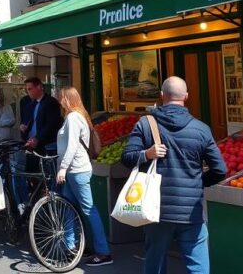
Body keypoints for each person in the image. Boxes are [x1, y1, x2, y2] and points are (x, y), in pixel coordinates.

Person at [121, 77, 227, 274]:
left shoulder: (145, 125)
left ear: (162, 96)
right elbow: (220, 169)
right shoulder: (201, 129)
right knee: (198, 266)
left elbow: (127, 157)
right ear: (186, 96)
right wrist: (197, 183)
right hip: (190, 210)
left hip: (155, 209)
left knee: (155, 261)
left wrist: (147, 154)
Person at [55, 87, 111, 267]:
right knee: (69, 208)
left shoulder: (72, 118)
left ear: (67, 99)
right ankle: (71, 246)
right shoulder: (77, 116)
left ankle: (103, 252)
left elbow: (72, 146)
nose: (59, 99)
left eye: (61, 96)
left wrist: (62, 168)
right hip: (75, 170)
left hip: (77, 170)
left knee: (88, 209)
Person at [16, 77, 62, 206]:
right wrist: (23, 128)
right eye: (27, 90)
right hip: (31, 145)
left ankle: (49, 202)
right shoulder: (30, 104)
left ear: (39, 87)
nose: (28, 92)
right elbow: (26, 122)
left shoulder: (50, 102)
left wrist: (38, 138)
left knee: (47, 177)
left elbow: (52, 124)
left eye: (30, 89)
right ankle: (34, 201)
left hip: (46, 145)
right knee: (31, 174)